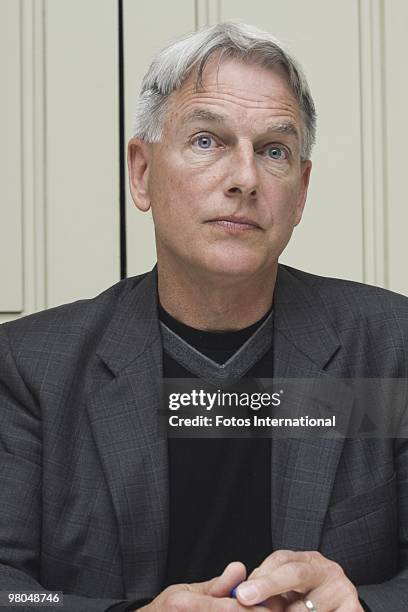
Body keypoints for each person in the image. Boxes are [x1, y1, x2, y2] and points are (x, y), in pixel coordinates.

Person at [0, 20, 407, 612]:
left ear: (301, 192)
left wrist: (361, 606)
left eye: (274, 151)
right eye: (207, 140)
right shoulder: (32, 369)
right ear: (141, 173)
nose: (244, 179)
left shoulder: (391, 347)